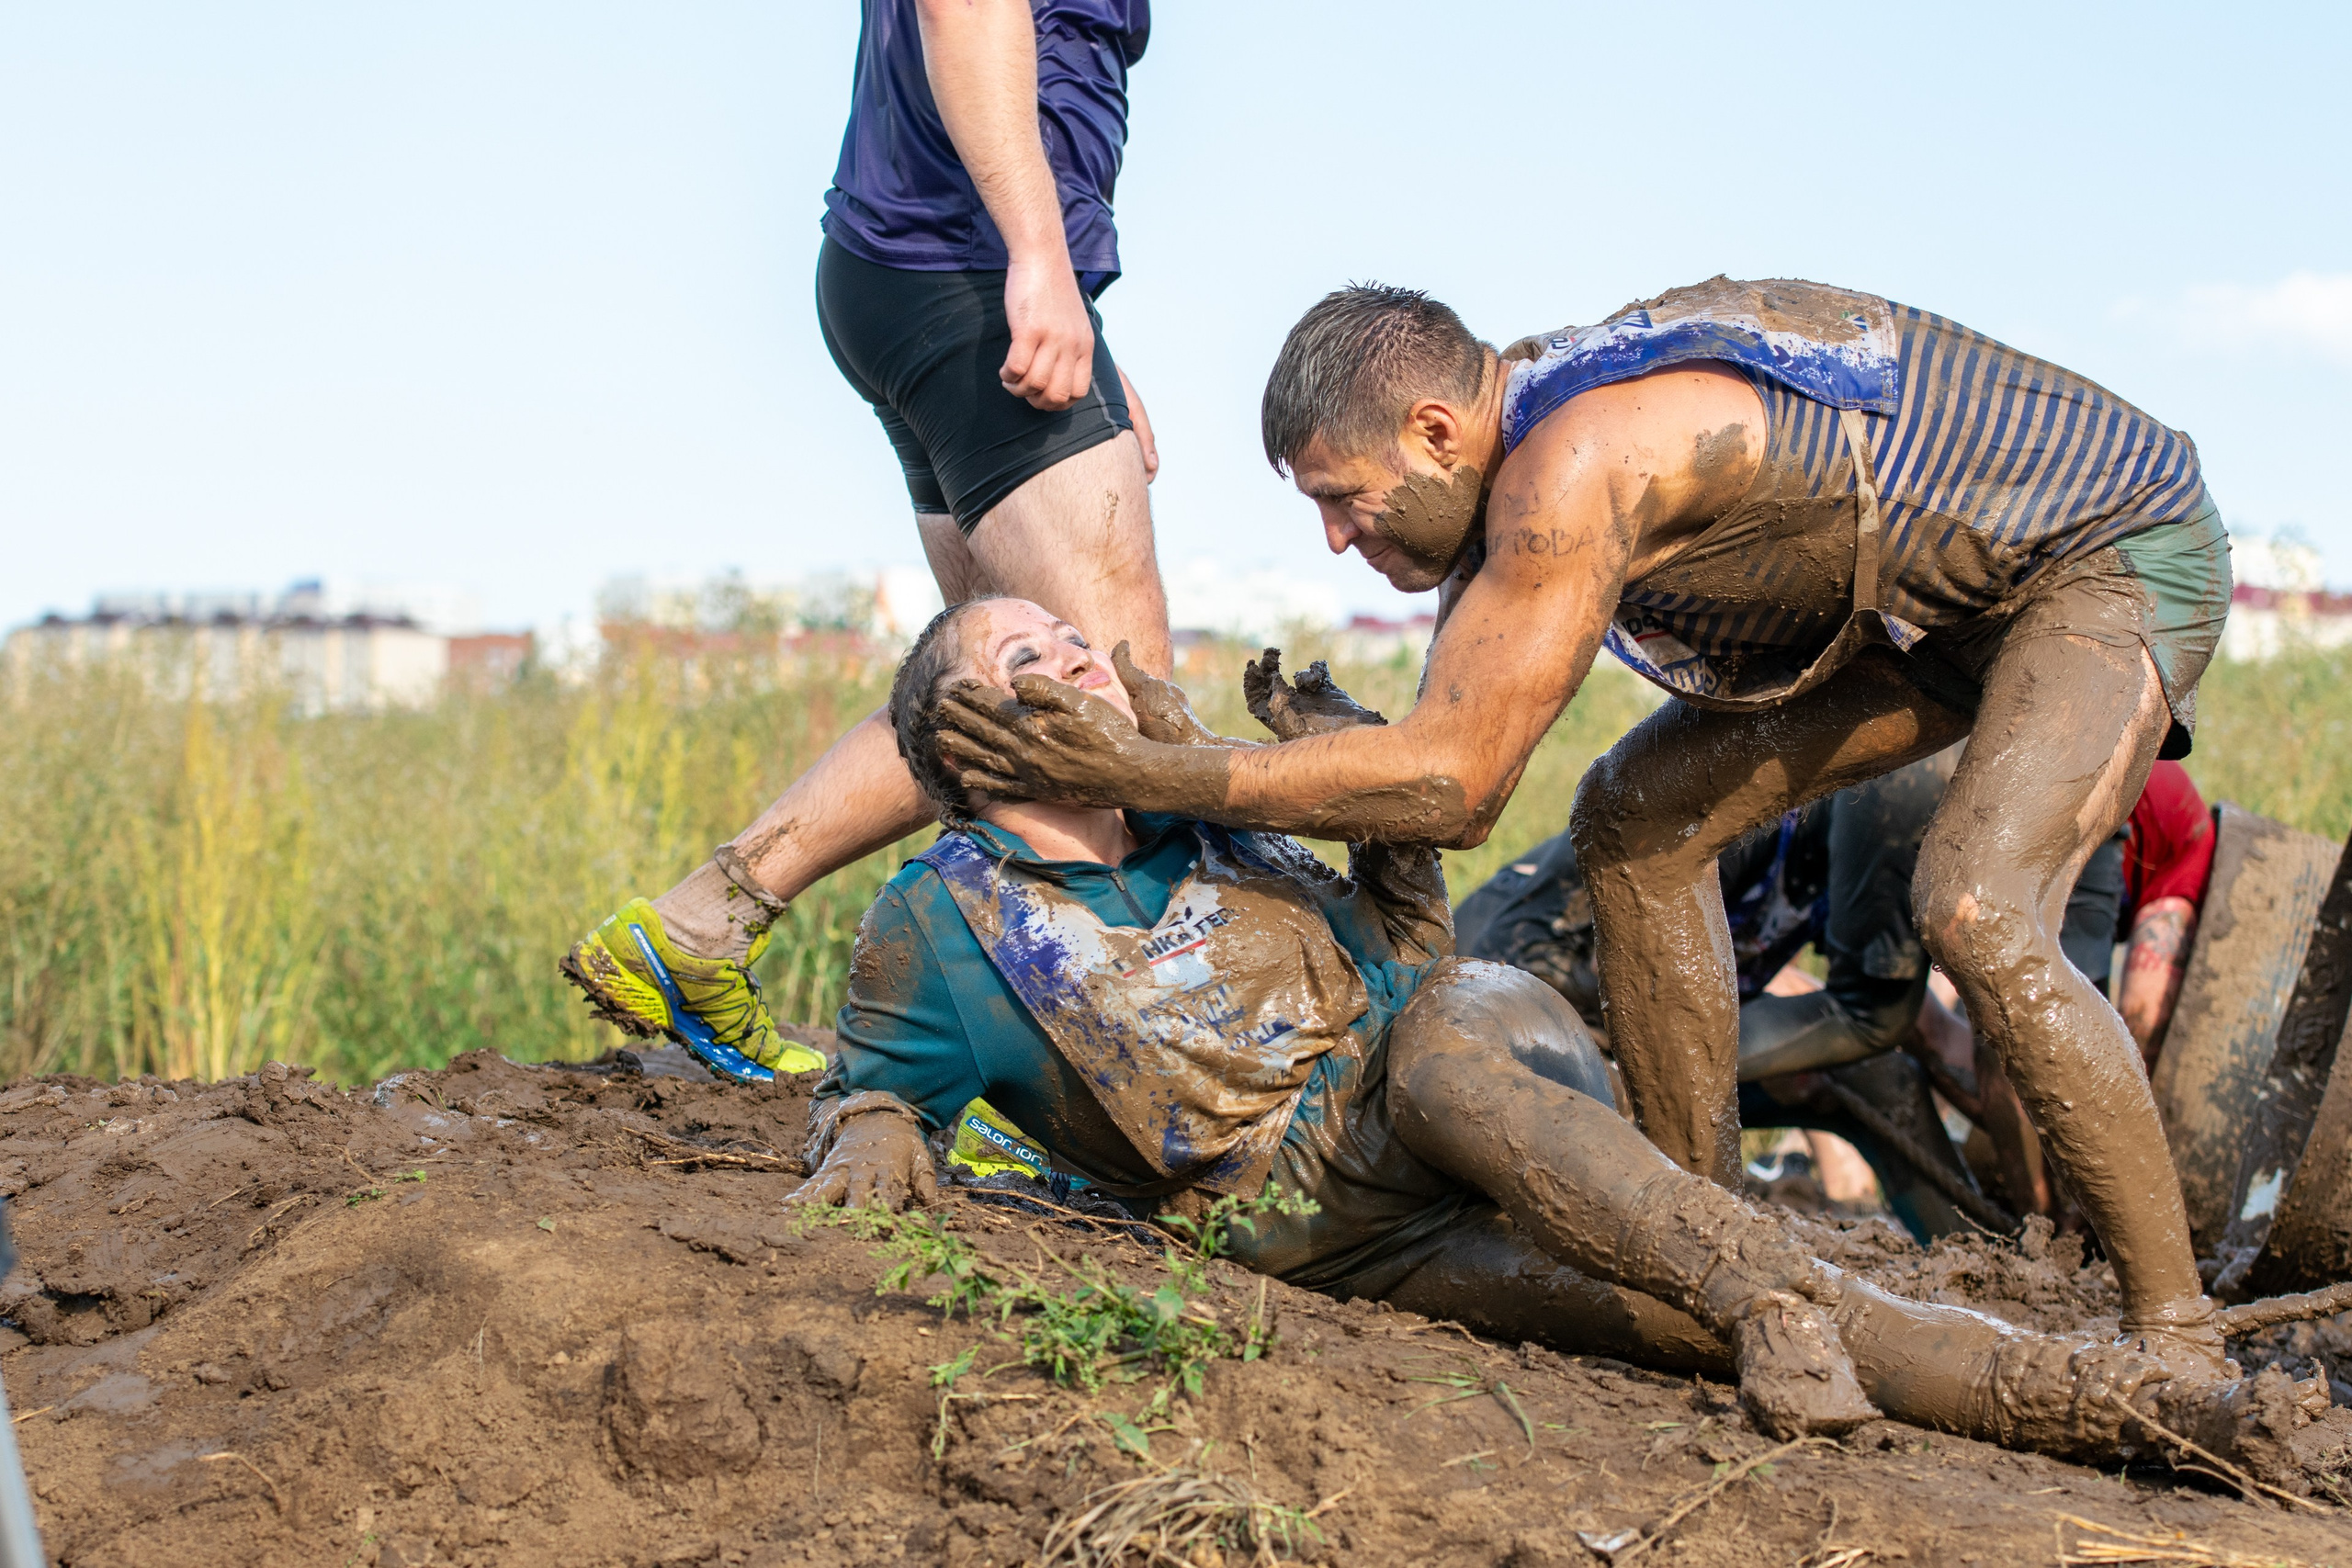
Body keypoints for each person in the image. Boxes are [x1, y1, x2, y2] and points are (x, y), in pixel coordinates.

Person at [933, 276, 2238, 1371]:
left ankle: (2179, 1331)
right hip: (1931, 607)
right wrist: (1265, 751)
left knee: (1975, 901)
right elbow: (1429, 765)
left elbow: (1455, 788)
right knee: (1637, 817)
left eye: (1347, 500)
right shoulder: (1502, 476)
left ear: (1438, 431)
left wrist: (1157, 771)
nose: (1335, 541)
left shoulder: (1569, 468)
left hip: (2110, 548)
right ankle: (1707, 1230)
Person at [792, 594, 2321, 1472]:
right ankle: (2168, 1414)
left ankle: (1760, 1286)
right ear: (972, 744)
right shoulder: (944, 924)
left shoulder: (1203, 810)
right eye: (1031, 663)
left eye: (1071, 638)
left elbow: (1411, 966)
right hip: (1331, 1230)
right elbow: (874, 1091)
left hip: (1461, 1067)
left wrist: (1352, 791)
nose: (1081, 658)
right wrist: (870, 1123)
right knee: (1662, 1315)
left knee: (1461, 1047)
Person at [560, 0, 1171, 1089]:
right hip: (965, 268)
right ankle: (1084, 1076)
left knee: (984, 699)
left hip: (920, 275)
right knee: (1115, 699)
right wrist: (1037, 260)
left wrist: (1070, 293)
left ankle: (696, 929)